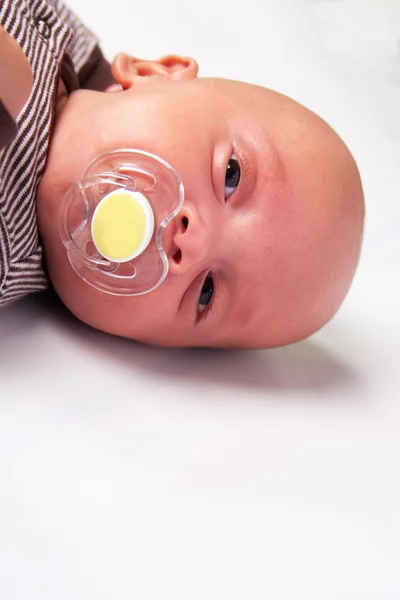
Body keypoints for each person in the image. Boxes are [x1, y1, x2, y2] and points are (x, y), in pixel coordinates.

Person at [0, 0, 365, 348]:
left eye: (206, 291)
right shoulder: (67, 43)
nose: (193, 244)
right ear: (154, 72)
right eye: (231, 176)